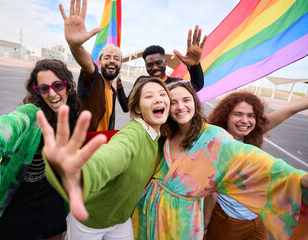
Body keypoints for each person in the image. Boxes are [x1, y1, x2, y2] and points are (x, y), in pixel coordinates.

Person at [131, 82, 308, 240]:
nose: (181, 107)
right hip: (147, 212)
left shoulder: (214, 137)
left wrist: (298, 177)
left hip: (182, 221)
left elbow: (257, 159)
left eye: (186, 100)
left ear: (195, 102)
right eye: (174, 102)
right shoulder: (163, 134)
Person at [0, 59, 81, 239]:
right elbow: (7, 126)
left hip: (51, 191)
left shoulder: (73, 114)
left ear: (68, 86)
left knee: (56, 232)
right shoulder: (31, 113)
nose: (52, 93)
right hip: (20, 192)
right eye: (43, 88)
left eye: (57, 85)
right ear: (37, 91)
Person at [41, 77, 171, 239]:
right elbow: (114, 154)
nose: (158, 99)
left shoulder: (157, 137)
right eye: (149, 96)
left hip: (119, 220)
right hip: (90, 220)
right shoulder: (134, 133)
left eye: (162, 94)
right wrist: (82, 172)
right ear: (137, 108)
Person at [203, 92, 308, 240]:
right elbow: (210, 191)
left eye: (251, 115)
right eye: (238, 114)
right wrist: (205, 223)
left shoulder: (252, 135)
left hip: (256, 215)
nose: (245, 121)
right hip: (229, 219)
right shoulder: (216, 143)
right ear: (225, 116)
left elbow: (290, 109)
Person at [59, 1, 126, 132]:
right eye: (107, 57)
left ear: (120, 65)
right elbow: (88, 65)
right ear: (99, 63)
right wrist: (74, 45)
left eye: (116, 58)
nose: (112, 61)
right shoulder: (95, 81)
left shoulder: (112, 92)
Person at [117, 26, 206, 112]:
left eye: (158, 63)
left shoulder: (175, 83)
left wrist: (195, 66)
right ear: (145, 65)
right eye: (150, 65)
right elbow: (126, 107)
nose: (154, 68)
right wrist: (118, 83)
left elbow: (197, 85)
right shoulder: (141, 81)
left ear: (165, 62)